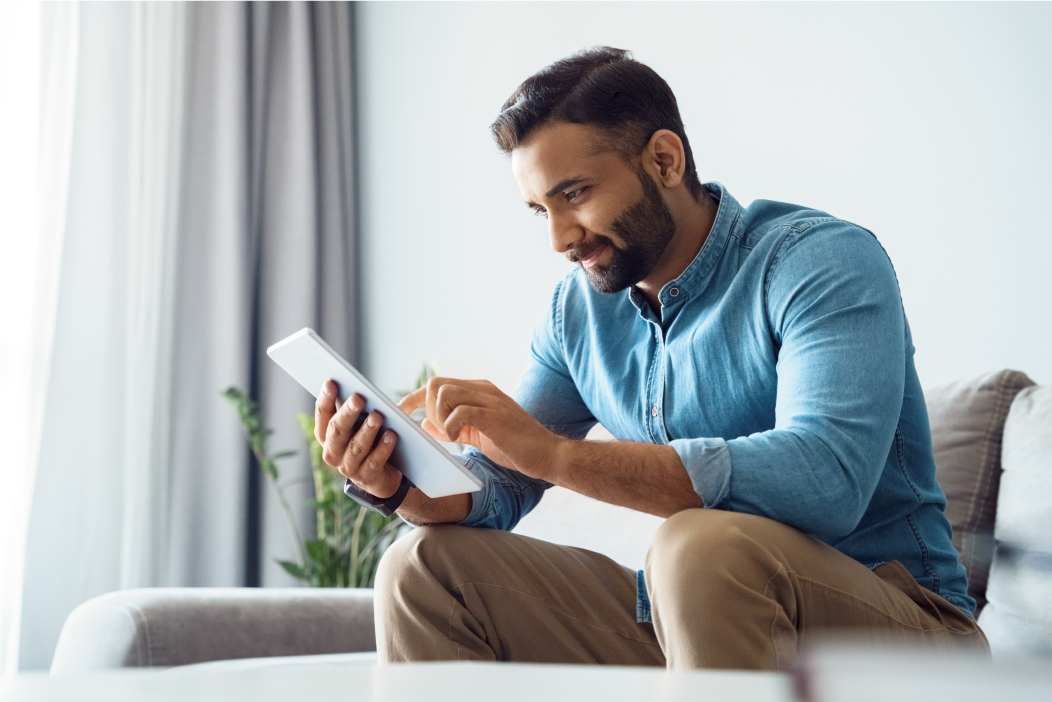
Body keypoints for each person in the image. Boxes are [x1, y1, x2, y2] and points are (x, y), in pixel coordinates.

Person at [313, 47, 987, 670]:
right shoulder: (578, 312)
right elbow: (500, 491)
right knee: (424, 569)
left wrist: (554, 454)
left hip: (901, 627)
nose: (557, 238)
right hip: (697, 613)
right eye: (538, 210)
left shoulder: (817, 261)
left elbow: (825, 482)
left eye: (574, 195)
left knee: (698, 546)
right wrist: (395, 479)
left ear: (664, 160)